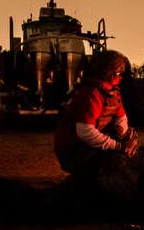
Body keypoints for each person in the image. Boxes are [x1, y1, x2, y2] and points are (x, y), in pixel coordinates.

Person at [53, 50, 138, 178]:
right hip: (73, 149)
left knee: (130, 134)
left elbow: (121, 116)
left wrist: (119, 131)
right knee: (117, 160)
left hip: (88, 142)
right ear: (110, 73)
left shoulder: (111, 91)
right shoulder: (91, 94)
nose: (121, 77)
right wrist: (116, 146)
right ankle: (99, 180)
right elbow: (85, 132)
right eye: (119, 73)